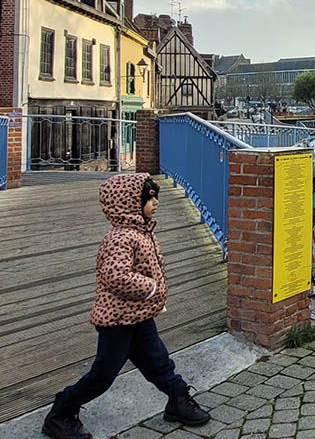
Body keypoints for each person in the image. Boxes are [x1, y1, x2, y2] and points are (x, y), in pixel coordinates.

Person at [42, 173, 210, 439]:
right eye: (149, 198)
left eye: (155, 197)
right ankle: (62, 411)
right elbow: (115, 275)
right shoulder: (121, 238)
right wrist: (152, 288)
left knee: (158, 362)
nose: (155, 203)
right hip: (118, 321)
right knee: (103, 375)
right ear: (130, 203)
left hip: (140, 316)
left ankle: (178, 399)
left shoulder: (142, 231)